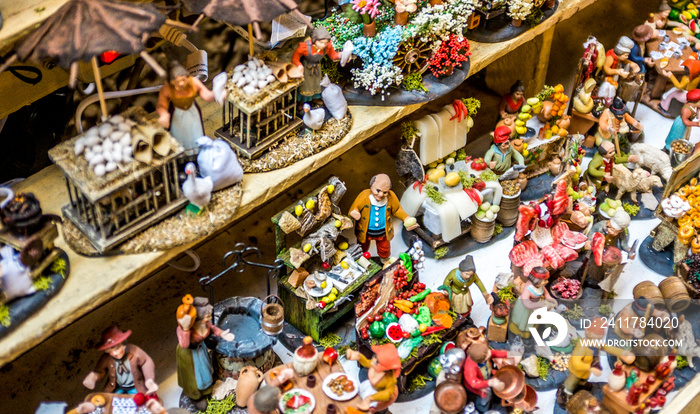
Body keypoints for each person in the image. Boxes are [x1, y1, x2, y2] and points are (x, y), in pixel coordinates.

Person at [176, 297, 235, 410]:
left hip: (200, 350)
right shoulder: (185, 329)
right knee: (194, 377)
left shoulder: (205, 324)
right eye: (207, 316)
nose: (209, 318)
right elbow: (184, 344)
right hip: (189, 355)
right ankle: (196, 396)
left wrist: (222, 334)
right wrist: (185, 328)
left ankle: (206, 389)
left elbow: (212, 328)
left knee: (205, 370)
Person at [561, 318, 635, 402]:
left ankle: (582, 384)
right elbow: (576, 362)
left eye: (600, 338)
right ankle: (566, 393)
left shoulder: (596, 343)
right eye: (596, 338)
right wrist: (590, 368)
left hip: (588, 369)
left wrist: (622, 352)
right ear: (589, 334)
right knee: (572, 382)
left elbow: (607, 347)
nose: (598, 341)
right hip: (577, 370)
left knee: (584, 379)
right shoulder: (582, 346)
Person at [349, 174, 418, 260]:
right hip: (364, 232)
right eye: (378, 190)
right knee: (361, 248)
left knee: (384, 249)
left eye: (385, 192)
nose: (381, 194)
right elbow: (354, 208)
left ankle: (384, 260)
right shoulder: (364, 195)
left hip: (383, 233)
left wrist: (406, 218)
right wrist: (354, 212)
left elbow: (397, 210)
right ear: (372, 185)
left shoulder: (391, 197)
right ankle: (361, 260)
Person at [82, 326, 159, 395]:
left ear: (123, 344)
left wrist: (149, 380)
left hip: (135, 387)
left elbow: (146, 362)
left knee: (140, 402)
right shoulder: (106, 358)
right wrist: (94, 377)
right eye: (110, 351)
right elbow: (100, 371)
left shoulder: (134, 351)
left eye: (117, 348)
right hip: (117, 387)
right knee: (108, 403)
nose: (115, 353)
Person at [156, 61, 215, 150]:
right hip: (177, 116)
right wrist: (163, 114)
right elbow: (161, 105)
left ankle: (198, 153)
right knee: (180, 137)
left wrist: (215, 94)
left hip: (192, 113)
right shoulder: (167, 89)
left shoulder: (193, 82)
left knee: (196, 133)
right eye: (177, 82)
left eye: (183, 80)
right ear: (171, 82)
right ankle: (184, 157)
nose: (181, 84)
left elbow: (206, 94)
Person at [292, 27, 341, 103]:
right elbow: (295, 58)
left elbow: (333, 56)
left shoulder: (327, 47)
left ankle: (315, 98)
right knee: (306, 85)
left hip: (317, 68)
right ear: (315, 40)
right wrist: (299, 65)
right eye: (321, 42)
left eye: (325, 43)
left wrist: (342, 55)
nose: (323, 45)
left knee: (316, 83)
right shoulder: (305, 47)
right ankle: (302, 101)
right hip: (306, 68)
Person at [346, 344, 401, 413]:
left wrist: (370, 398)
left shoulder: (390, 379)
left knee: (375, 410)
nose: (373, 360)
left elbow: (387, 394)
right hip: (370, 387)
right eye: (375, 356)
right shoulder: (375, 363)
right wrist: (358, 357)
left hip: (380, 397)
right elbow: (367, 362)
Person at [508, 267, 558, 341]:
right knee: (525, 321)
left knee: (534, 321)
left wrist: (552, 300)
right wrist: (539, 305)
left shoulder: (541, 286)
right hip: (527, 308)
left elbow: (546, 295)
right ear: (536, 280)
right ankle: (523, 333)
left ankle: (535, 329)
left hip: (537, 304)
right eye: (544, 280)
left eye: (546, 280)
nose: (547, 282)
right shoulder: (528, 288)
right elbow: (526, 303)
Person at [462, 342, 507, 412]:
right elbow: (474, 383)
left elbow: (494, 353)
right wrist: (489, 383)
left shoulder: (483, 353)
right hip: (479, 386)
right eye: (487, 356)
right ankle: (484, 409)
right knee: (485, 397)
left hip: (487, 375)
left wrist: (509, 354)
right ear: (481, 360)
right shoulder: (470, 368)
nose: (490, 353)